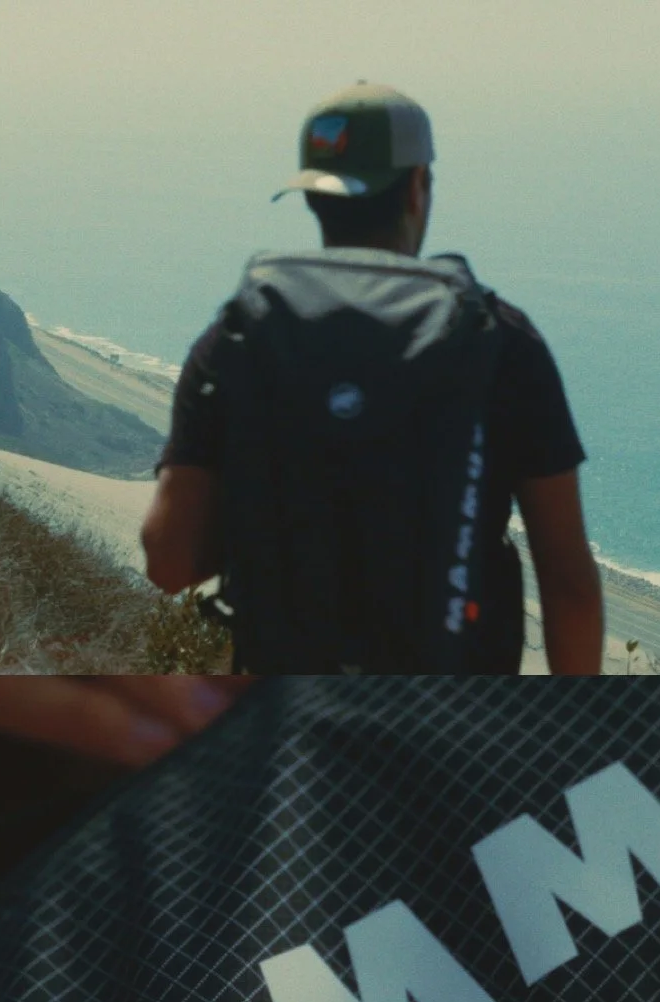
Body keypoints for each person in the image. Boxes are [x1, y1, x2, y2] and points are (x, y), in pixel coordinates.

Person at [139, 82, 607, 675]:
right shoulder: (497, 338)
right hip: (454, 731)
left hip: (287, 731)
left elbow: (169, 561)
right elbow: (568, 582)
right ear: (417, 188)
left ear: (311, 197)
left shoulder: (240, 335)